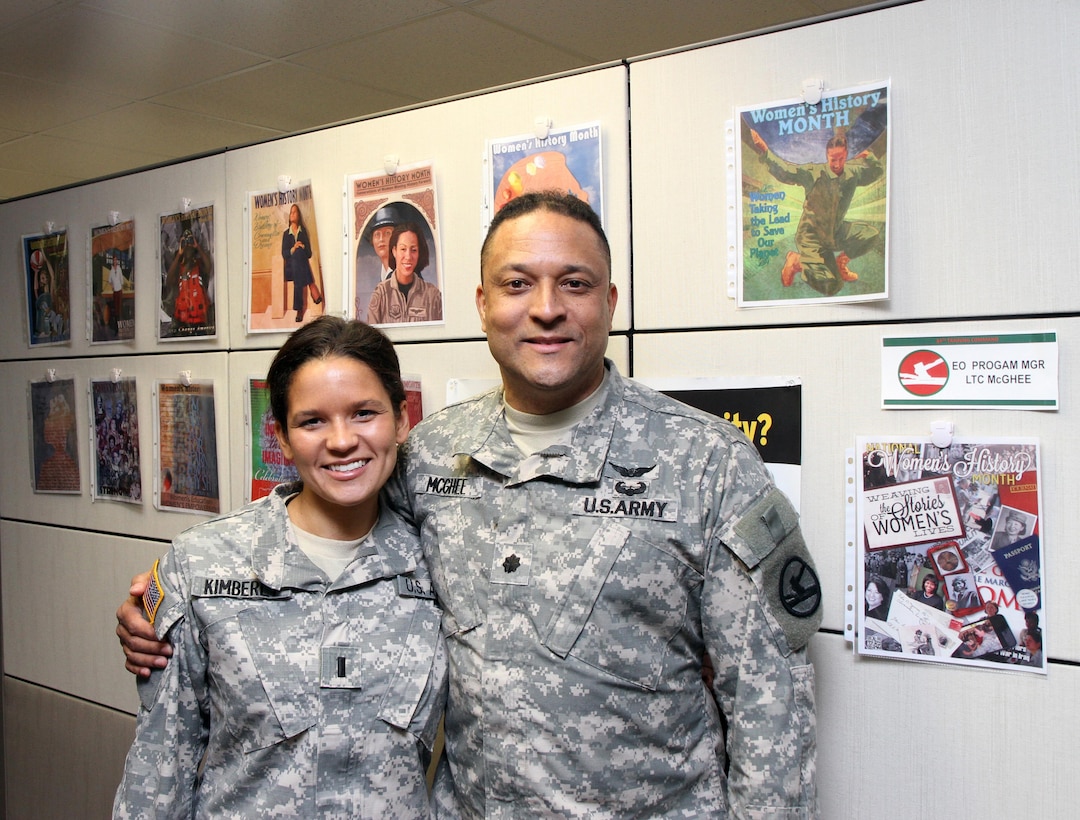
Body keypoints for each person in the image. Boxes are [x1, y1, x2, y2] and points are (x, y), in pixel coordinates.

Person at [119, 191, 822, 817]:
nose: (545, 307)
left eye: (573, 283)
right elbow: (325, 546)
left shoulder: (708, 462)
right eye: (517, 284)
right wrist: (162, 606)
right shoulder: (429, 455)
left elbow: (771, 703)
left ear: (610, 303)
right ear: (483, 304)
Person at [113, 316, 447, 818]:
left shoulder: (440, 563)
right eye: (312, 421)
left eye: (364, 413)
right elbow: (159, 772)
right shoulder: (204, 563)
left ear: (401, 420)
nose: (340, 440)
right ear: (284, 438)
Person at [749, 129, 883, 296]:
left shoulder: (853, 173)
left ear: (846, 155)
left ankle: (841, 263)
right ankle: (797, 261)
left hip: (835, 234)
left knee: (870, 234)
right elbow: (786, 171)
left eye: (841, 159)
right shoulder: (814, 173)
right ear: (827, 156)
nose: (836, 164)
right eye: (833, 159)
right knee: (832, 286)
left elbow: (877, 172)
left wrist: (867, 155)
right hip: (811, 238)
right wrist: (764, 151)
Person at [366, 222, 443, 325]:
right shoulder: (380, 294)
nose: (408, 256)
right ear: (394, 251)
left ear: (419, 253)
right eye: (403, 249)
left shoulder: (433, 295)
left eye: (414, 250)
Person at [164, 227, 213, 333]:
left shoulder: (199, 265)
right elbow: (169, 280)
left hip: (201, 322)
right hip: (182, 322)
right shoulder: (178, 268)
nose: (188, 246)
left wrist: (197, 246)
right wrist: (179, 254)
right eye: (185, 242)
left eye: (189, 241)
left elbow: (209, 267)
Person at [282, 203, 322, 322]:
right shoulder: (286, 234)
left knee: (300, 252)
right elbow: (284, 254)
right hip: (290, 269)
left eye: (295, 212)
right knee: (297, 253)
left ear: (299, 216)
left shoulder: (303, 232)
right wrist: (293, 248)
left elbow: (309, 253)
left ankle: (299, 309)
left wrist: (302, 246)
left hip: (299, 269)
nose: (293, 214)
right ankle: (312, 285)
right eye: (291, 212)